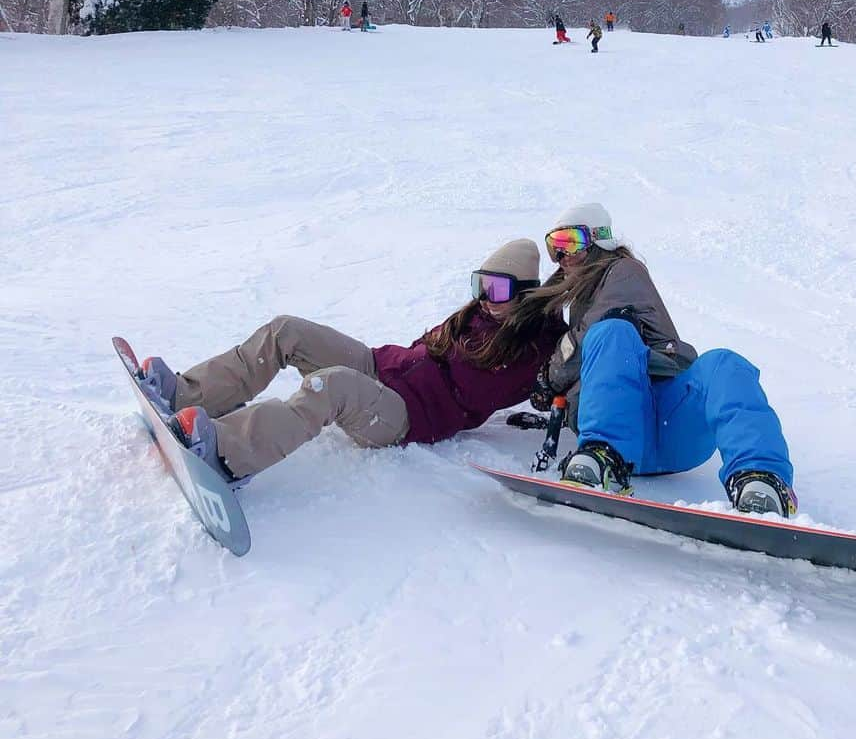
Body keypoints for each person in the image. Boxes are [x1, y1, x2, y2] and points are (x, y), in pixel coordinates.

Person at [137, 241, 563, 483]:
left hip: (405, 416)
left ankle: (228, 451)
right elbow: (426, 345)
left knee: (332, 384)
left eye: (499, 289)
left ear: (525, 293)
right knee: (287, 329)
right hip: (382, 368)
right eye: (480, 284)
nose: (486, 297)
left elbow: (475, 390)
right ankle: (187, 393)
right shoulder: (477, 314)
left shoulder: (529, 348)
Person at [533, 203, 796, 516]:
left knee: (722, 363)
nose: (562, 256)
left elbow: (585, 336)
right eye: (555, 247)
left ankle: (761, 481)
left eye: (570, 242)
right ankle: (604, 457)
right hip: (638, 433)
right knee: (612, 332)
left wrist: (549, 378)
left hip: (661, 422)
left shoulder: (622, 270)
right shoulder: (582, 294)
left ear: (599, 240)